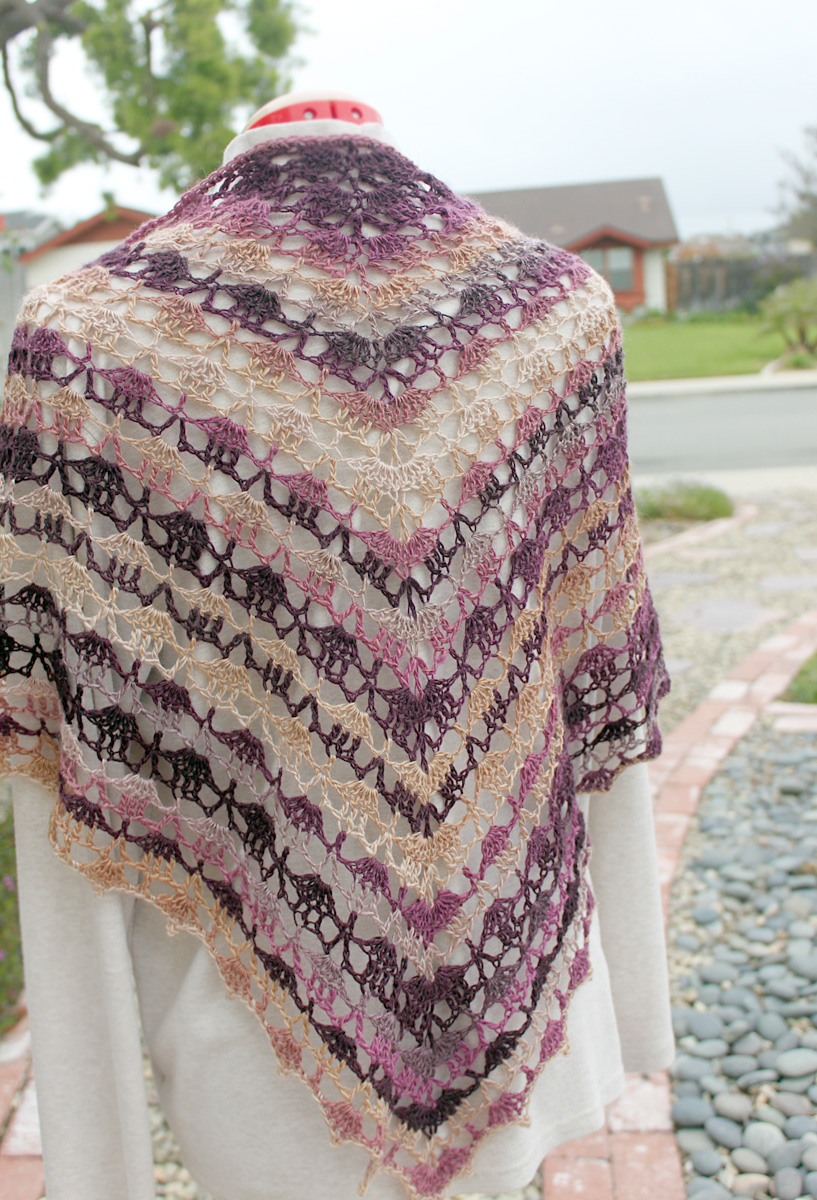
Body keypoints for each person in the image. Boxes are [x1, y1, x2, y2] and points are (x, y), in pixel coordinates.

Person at [2, 90, 675, 1200]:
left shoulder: (559, 316)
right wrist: (630, 1009)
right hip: (262, 1035)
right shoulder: (83, 346)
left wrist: (95, 1163)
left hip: (502, 999)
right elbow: (53, 739)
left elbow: (595, 673)